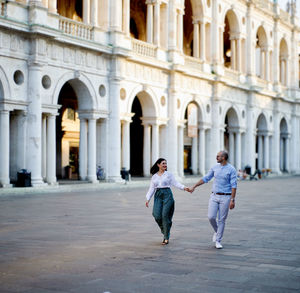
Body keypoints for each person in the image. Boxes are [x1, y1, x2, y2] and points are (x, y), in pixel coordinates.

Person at [190, 151, 237, 249]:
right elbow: (206, 178)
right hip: (214, 196)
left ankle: (218, 240)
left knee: (222, 219)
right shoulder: (215, 167)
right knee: (211, 217)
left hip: (226, 197)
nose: (216, 157)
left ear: (223, 157)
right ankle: (217, 231)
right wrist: (194, 186)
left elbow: (234, 185)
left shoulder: (231, 169)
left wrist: (232, 199)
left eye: (218, 156)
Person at [146, 158, 191, 245]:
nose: (165, 165)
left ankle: (166, 236)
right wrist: (148, 198)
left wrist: (184, 188)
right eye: (163, 163)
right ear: (158, 165)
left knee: (165, 215)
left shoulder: (169, 174)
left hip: (167, 195)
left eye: (166, 164)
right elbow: (151, 188)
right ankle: (165, 230)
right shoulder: (154, 176)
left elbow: (176, 183)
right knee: (156, 215)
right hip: (158, 195)